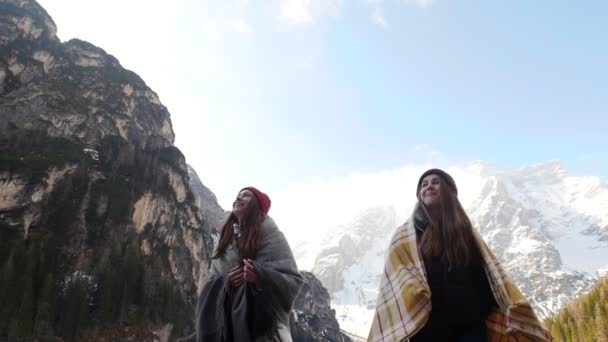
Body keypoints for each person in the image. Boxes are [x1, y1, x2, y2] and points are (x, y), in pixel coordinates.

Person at [368, 169, 552, 342]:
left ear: (449, 191)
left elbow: (486, 277)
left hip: (471, 330)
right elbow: (397, 283)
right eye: (424, 184)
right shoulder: (405, 238)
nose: (428, 186)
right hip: (428, 330)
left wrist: (481, 311)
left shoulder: (466, 233)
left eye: (435, 182)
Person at [196, 187, 303, 342]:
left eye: (246, 196)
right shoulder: (224, 239)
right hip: (227, 329)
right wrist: (227, 282)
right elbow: (211, 281)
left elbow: (293, 281)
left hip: (264, 331)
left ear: (257, 205)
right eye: (238, 195)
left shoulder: (271, 234)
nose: (238, 199)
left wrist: (259, 276)